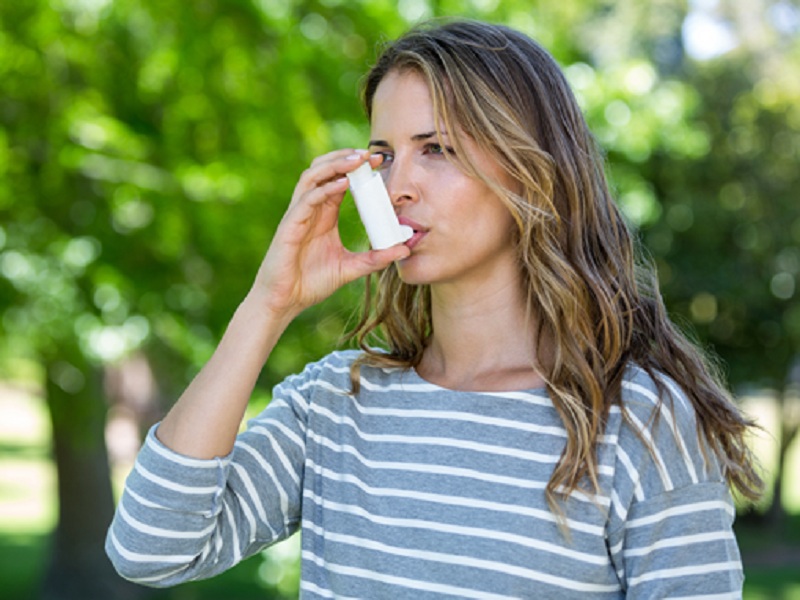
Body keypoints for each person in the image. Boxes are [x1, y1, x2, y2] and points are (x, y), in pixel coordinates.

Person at [106, 19, 763, 598]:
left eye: (437, 149)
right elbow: (149, 549)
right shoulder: (334, 402)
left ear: (534, 171)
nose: (397, 187)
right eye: (384, 156)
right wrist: (267, 304)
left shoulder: (638, 424)